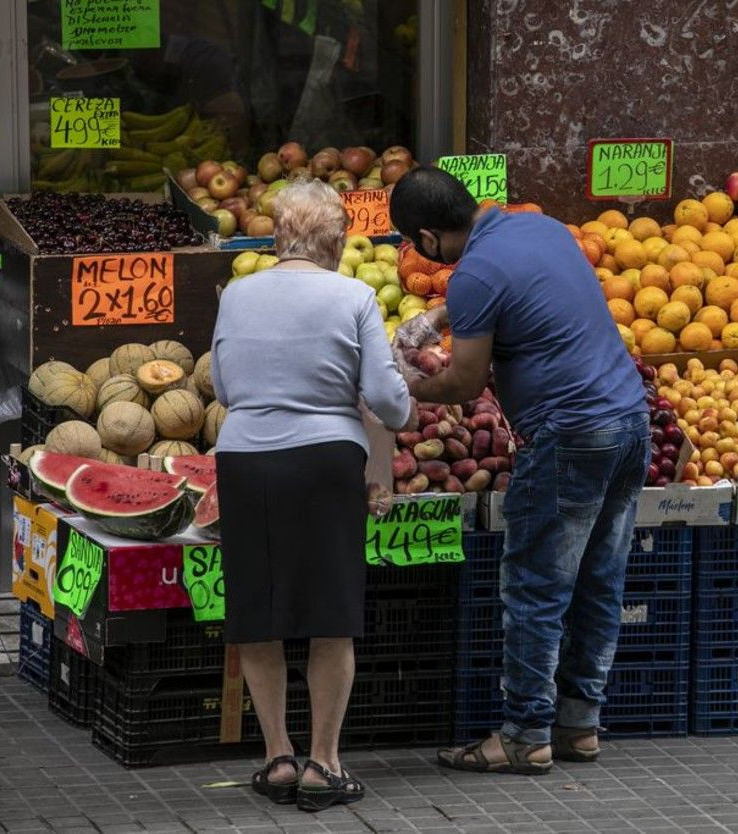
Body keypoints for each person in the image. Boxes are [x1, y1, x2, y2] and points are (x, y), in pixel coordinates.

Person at [390, 168, 649, 774]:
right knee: (598, 581)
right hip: (629, 423)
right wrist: (441, 316)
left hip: (569, 437)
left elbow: (465, 380)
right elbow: (514, 288)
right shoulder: (541, 228)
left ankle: (525, 733)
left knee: (536, 587)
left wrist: (403, 384)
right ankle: (579, 725)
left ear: (428, 238)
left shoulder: (474, 272)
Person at [211, 178, 414, 811]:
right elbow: (386, 400)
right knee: (329, 616)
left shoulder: (236, 294)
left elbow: (221, 386)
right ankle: (323, 765)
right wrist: (401, 410)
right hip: (324, 460)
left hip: (243, 459)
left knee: (259, 611)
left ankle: (276, 758)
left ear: (276, 237)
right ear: (337, 239)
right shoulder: (353, 295)